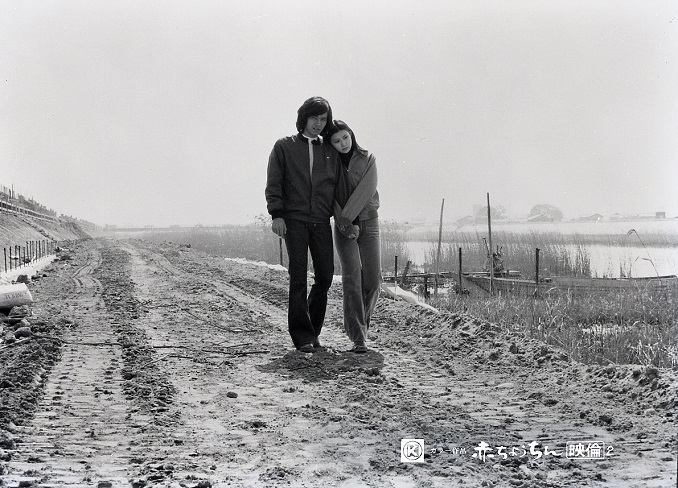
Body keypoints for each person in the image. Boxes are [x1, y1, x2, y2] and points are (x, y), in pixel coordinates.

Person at [265, 97, 340, 353]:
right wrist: (276, 214)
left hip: (321, 220)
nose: (318, 124)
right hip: (294, 220)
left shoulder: (329, 150)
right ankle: (302, 336)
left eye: (323, 119)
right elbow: (274, 182)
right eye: (314, 118)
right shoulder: (284, 146)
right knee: (298, 276)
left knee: (325, 276)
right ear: (304, 118)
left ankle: (313, 330)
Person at [328, 120, 381, 354]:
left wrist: (350, 219)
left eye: (345, 137)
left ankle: (361, 326)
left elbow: (366, 191)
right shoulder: (328, 165)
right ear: (331, 144)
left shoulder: (368, 159)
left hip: (368, 223)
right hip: (343, 227)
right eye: (336, 141)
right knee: (352, 280)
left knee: (373, 280)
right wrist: (345, 224)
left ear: (351, 134)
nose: (343, 144)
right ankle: (359, 337)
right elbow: (330, 197)